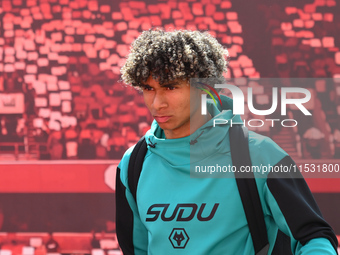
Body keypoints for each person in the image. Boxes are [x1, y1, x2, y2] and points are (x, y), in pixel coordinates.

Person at [115, 29, 338, 254]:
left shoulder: (261, 156)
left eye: (171, 87)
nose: (157, 103)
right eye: (148, 89)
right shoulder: (133, 163)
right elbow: (136, 249)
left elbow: (314, 237)